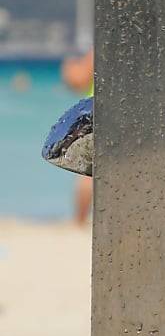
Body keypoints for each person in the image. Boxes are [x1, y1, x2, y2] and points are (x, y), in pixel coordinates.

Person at [61, 49, 94, 228]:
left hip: (97, 111)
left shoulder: (107, 43)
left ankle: (79, 221)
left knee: (89, 170)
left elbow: (78, 80)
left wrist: (68, 67)